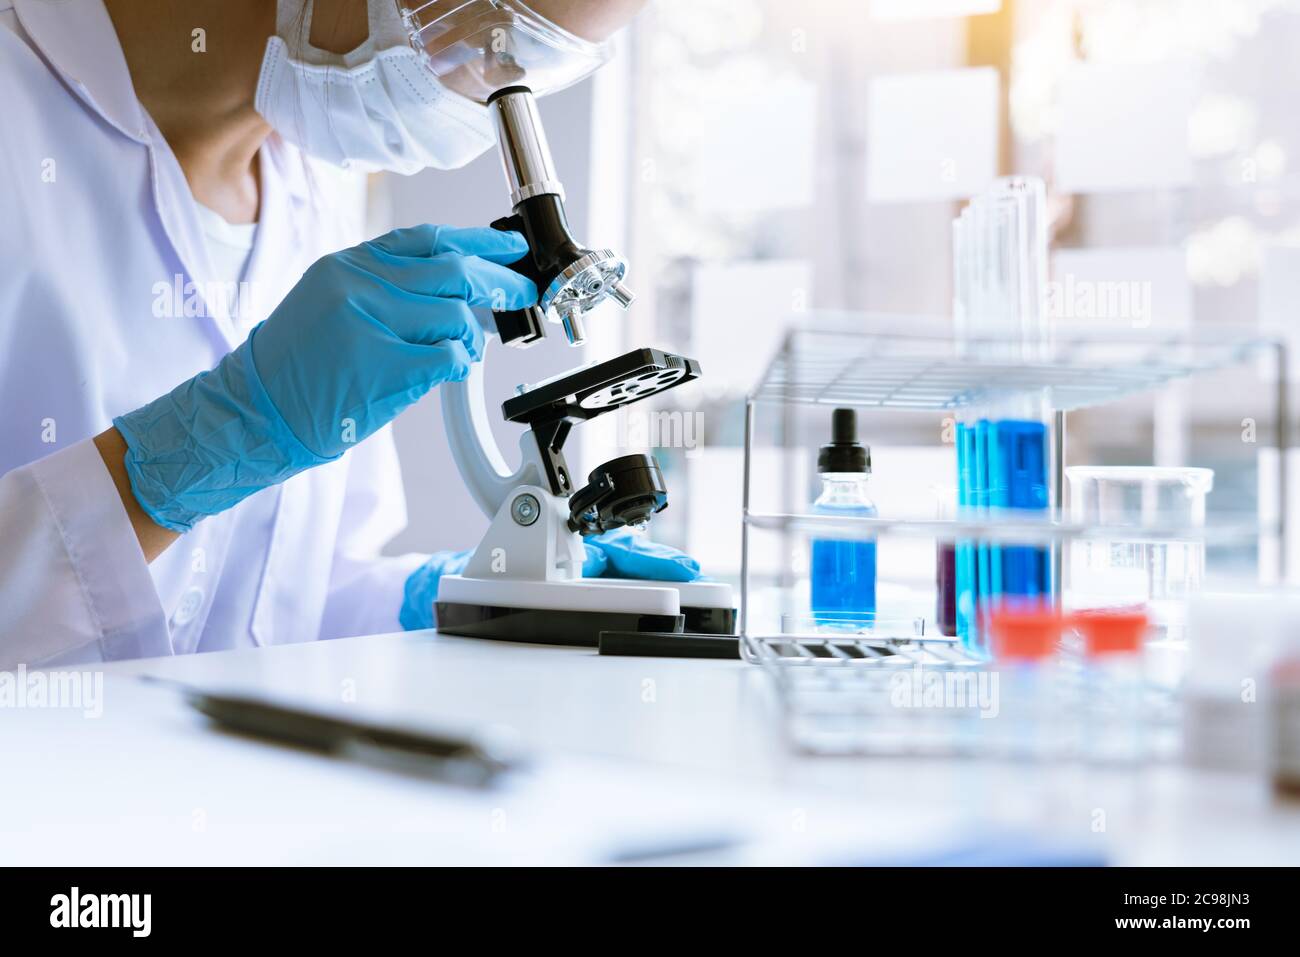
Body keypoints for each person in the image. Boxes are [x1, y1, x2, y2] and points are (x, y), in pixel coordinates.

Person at [0, 0, 699, 670]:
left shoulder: (315, 181)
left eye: (531, 68)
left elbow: (297, 601)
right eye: (487, 40)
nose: (479, 91)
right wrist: (200, 448)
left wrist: (473, 594)